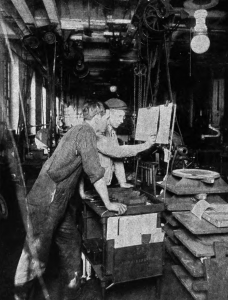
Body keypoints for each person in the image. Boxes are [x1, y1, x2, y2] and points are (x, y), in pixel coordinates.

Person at [14, 101, 127, 300]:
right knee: (36, 252)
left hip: (60, 201)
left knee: (71, 241)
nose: (107, 123)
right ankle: (20, 294)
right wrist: (108, 204)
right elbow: (95, 172)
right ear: (97, 117)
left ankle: (71, 286)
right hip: (46, 201)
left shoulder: (77, 131)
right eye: (106, 118)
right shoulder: (86, 132)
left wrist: (81, 193)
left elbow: (78, 167)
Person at [99, 98, 135, 188]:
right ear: (108, 114)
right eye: (119, 116)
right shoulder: (98, 131)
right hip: (94, 184)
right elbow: (116, 152)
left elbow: (117, 158)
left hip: (105, 183)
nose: (122, 121)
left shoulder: (112, 131)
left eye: (123, 117)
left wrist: (122, 182)